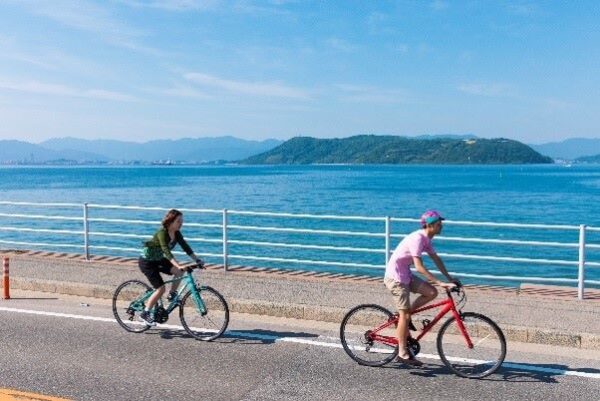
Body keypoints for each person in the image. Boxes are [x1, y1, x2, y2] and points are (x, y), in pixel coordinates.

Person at [384, 210, 458, 366]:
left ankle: (404, 315)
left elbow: (436, 259)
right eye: (439, 223)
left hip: (406, 275)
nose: (441, 226)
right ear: (430, 225)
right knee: (404, 316)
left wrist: (450, 279)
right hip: (396, 278)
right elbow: (419, 266)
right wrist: (440, 282)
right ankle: (402, 353)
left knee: (431, 292)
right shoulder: (418, 239)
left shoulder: (427, 239)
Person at [138, 209, 203, 326]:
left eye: (182, 221)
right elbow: (166, 251)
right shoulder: (162, 233)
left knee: (179, 272)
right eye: (178, 221)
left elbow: (186, 247)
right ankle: (145, 312)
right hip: (147, 262)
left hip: (158, 259)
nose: (181, 223)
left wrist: (197, 260)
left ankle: (172, 294)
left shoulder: (177, 234)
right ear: (170, 222)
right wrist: (178, 264)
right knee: (160, 289)